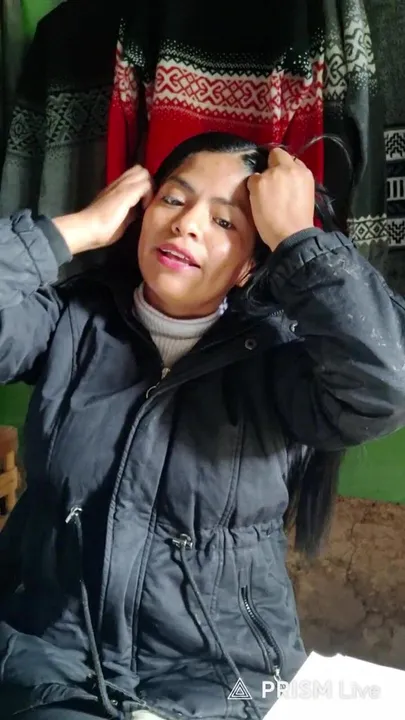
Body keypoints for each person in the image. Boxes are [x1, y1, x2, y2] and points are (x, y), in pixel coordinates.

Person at [0, 132, 405, 720]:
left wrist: (300, 242)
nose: (187, 224)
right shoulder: (67, 322)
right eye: (173, 200)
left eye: (224, 222)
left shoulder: (280, 363)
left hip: (222, 685)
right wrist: (75, 229)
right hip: (51, 668)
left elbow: (387, 383)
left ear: (249, 266)